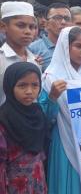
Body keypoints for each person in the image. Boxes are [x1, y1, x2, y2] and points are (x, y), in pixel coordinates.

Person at [39, 26, 81, 193]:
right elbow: (43, 118)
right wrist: (52, 97)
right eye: (78, 46)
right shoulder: (51, 77)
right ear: (65, 47)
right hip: (65, 138)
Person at [0, 62, 47, 193]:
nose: (29, 91)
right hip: (13, 184)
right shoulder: (4, 119)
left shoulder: (37, 113)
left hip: (37, 179)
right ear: (10, 86)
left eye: (35, 85)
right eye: (22, 85)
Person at [0, 1, 41, 105]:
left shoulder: (35, 60)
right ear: (3, 27)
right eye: (21, 25)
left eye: (32, 27)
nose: (28, 31)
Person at [29, 3, 71, 71]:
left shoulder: (75, 47)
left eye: (67, 18)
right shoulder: (33, 49)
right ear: (46, 24)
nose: (63, 22)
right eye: (57, 18)